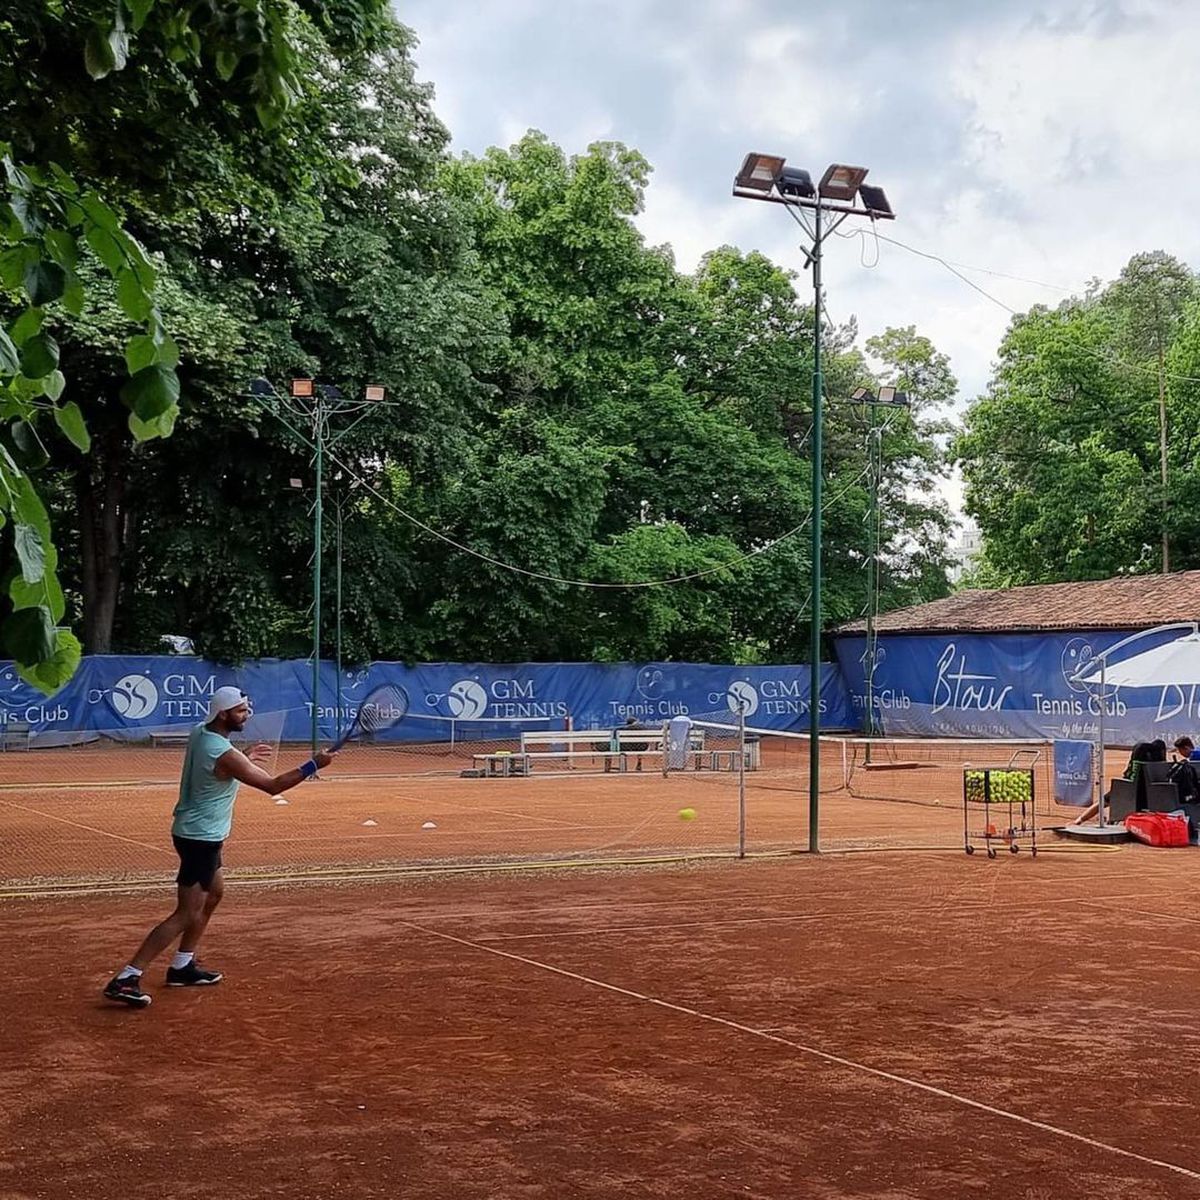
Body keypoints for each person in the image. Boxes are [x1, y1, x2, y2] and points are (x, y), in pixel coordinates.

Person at [103, 686, 335, 1008]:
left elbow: (224, 764)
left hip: (200, 835)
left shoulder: (202, 733)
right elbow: (272, 785)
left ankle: (182, 965)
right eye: (241, 711)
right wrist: (314, 765)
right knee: (186, 913)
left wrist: (244, 758)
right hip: (199, 838)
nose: (247, 715)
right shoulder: (222, 753)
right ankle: (127, 976)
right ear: (223, 714)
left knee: (214, 894)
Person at [1071, 738, 1166, 825]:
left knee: (1104, 801)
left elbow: (1129, 775)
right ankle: (1080, 820)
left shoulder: (1137, 765)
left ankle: (1079, 820)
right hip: (1146, 793)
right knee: (1106, 800)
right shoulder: (1160, 766)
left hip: (1128, 789)